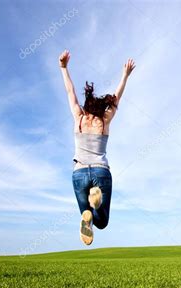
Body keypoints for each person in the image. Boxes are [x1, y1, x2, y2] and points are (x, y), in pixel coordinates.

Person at [59, 49, 135, 245]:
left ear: (86, 105)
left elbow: (70, 92)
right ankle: (97, 201)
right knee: (102, 222)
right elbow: (116, 99)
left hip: (79, 172)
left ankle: (89, 210)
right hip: (101, 171)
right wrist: (125, 76)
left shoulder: (79, 117)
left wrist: (63, 68)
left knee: (87, 214)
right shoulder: (104, 121)